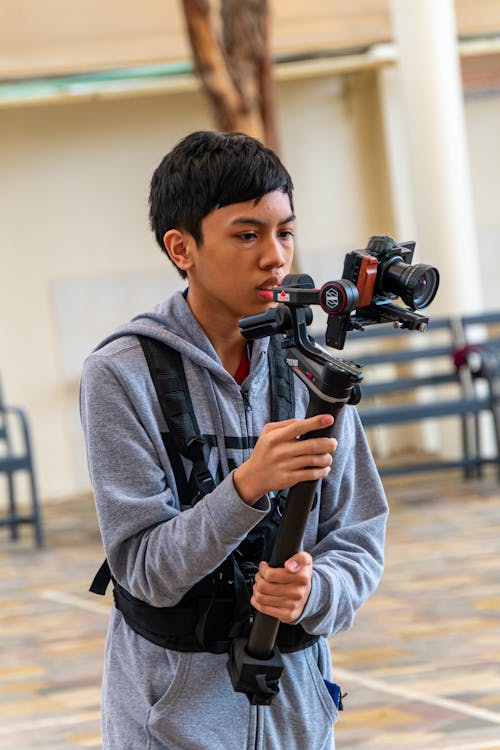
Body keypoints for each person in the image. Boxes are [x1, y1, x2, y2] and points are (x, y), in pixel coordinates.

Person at [80, 130, 388, 750]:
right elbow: (142, 569)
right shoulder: (119, 372)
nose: (276, 256)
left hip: (298, 710)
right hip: (168, 721)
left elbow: (358, 536)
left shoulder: (310, 370)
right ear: (181, 248)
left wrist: (313, 592)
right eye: (247, 234)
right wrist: (247, 486)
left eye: (285, 232)